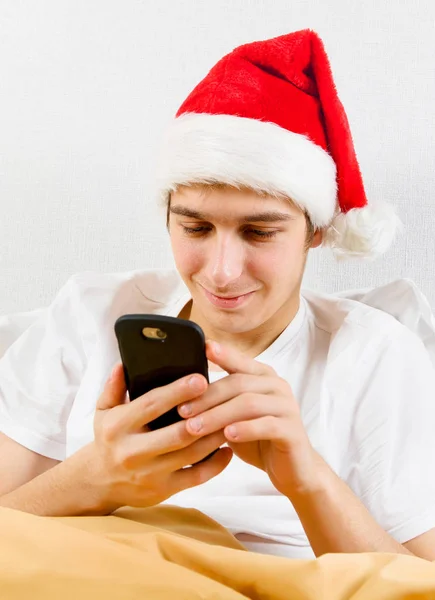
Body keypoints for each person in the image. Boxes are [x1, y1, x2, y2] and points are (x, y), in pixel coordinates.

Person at [1, 29, 435, 561]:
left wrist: (307, 480)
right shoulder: (90, 314)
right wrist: (93, 479)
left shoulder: (374, 354)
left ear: (316, 230)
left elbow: (420, 582)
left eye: (259, 233)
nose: (223, 273)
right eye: (196, 228)